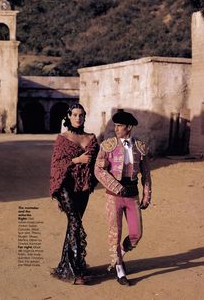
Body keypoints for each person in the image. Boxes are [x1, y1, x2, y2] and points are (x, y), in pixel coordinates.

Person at [94, 110, 152, 286]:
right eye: (116, 125)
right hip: (114, 196)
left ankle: (119, 252)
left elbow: (146, 174)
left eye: (120, 126)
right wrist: (116, 187)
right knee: (115, 233)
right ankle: (120, 270)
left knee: (136, 233)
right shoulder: (107, 145)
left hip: (132, 194)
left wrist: (146, 194)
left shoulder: (140, 146)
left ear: (129, 127)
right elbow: (98, 170)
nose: (116, 129)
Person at [49, 103, 99, 285]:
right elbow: (56, 166)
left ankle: (66, 266)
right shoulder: (61, 139)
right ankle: (76, 272)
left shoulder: (92, 138)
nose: (78, 118)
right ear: (69, 116)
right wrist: (77, 159)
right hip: (65, 186)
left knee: (73, 224)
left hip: (83, 187)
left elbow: (99, 163)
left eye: (81, 115)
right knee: (75, 222)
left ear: (85, 117)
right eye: (75, 115)